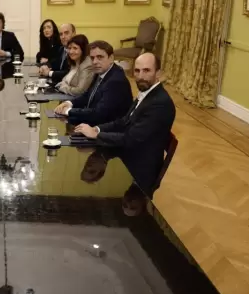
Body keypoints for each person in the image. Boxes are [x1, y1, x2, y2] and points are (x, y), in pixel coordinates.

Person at [72, 53, 176, 197]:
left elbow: (130, 139)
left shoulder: (160, 103)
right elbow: (123, 122)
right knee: (84, 151)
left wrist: (97, 135)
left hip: (139, 167)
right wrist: (97, 128)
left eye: (147, 70)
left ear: (158, 73)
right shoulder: (147, 94)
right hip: (131, 152)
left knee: (88, 186)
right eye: (137, 71)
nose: (141, 76)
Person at [54, 40, 133, 126]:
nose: (95, 62)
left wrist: (68, 111)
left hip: (107, 130)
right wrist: (69, 103)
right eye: (92, 58)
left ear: (111, 58)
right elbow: (88, 95)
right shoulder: (101, 71)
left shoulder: (116, 81)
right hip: (94, 123)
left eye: (100, 57)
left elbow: (99, 114)